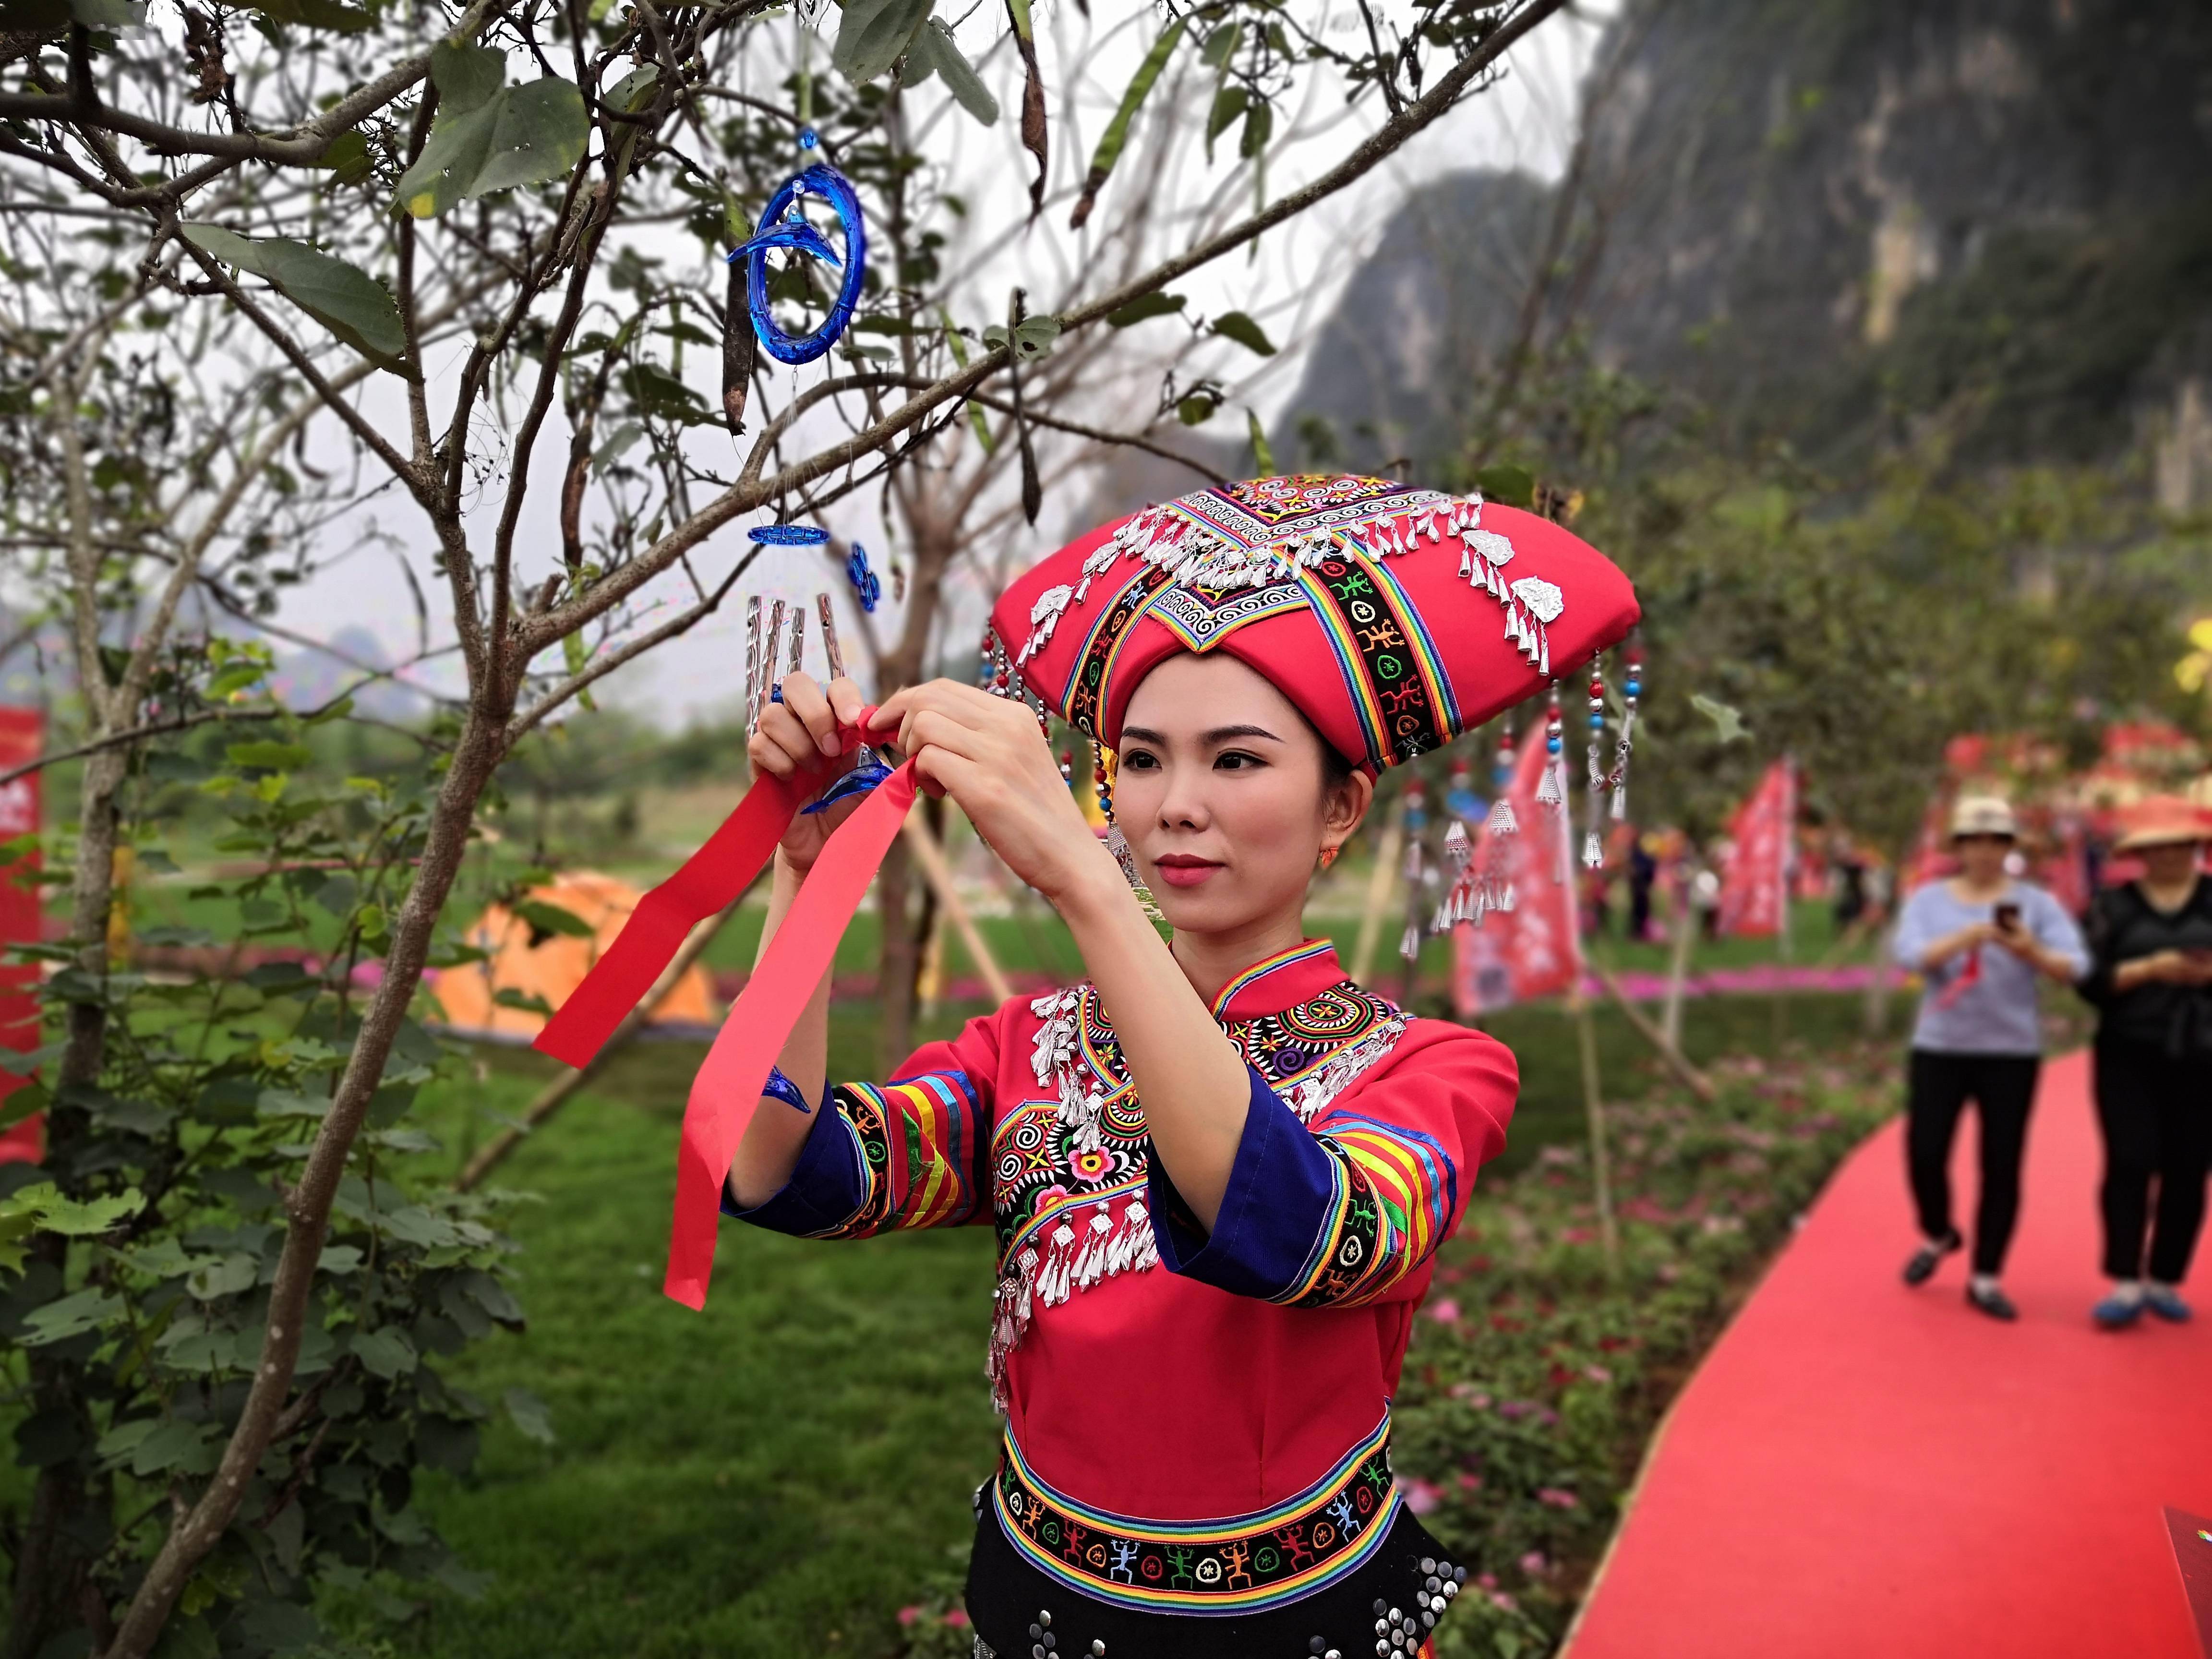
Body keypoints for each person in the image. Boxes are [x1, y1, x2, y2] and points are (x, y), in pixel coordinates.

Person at [721, 475, 1639, 1658]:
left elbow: (1314, 1235)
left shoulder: (1433, 1068)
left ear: (1340, 806)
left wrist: (1086, 884)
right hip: (1043, 1598)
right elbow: (780, 1166)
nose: (1175, 807)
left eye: (1238, 761)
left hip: (1286, 1623)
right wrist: (807, 874)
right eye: (1142, 761)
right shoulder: (1028, 1048)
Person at [1891, 796, 2088, 1320]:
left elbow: (2077, 967)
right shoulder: (1928, 900)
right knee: (1925, 1153)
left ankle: (1986, 1275)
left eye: (1997, 841)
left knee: (2001, 1166)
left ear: (2010, 848)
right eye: (1974, 841)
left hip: (2010, 1052)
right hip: (1941, 1048)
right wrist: (1966, 937)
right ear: (1958, 847)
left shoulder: (2038, 904)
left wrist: (2031, 951)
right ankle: (1939, 1233)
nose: (1985, 851)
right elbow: (1910, 956)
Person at [2075, 795, 2212, 1329]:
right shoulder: (2113, 905)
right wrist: (2151, 968)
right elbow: (2089, 980)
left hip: (2203, 1053)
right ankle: (2125, 1279)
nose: (2170, 855)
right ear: (2141, 853)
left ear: (2196, 847)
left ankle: (2166, 1278)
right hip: (2128, 1050)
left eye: (2180, 844)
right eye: (2158, 846)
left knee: (2188, 1167)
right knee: (2130, 1160)